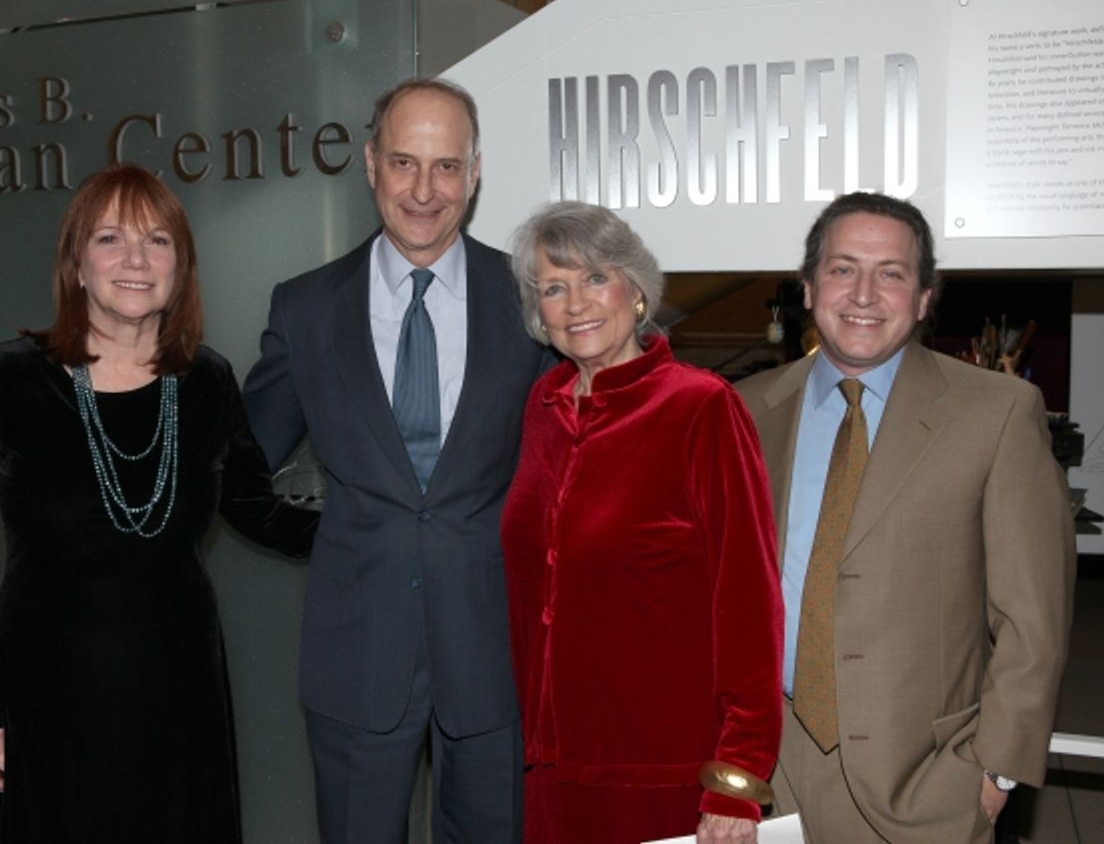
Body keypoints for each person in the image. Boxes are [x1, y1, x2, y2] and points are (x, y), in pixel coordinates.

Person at [0, 163, 319, 844]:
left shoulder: (208, 382)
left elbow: (258, 511)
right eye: (111, 239)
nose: (136, 259)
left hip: (179, 693)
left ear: (181, 267)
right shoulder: (8, 379)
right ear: (77, 264)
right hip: (44, 697)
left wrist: (388, 526)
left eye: (158, 241)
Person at [242, 78, 552, 843]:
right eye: (405, 163)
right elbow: (237, 465)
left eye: (446, 167)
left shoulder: (533, 302)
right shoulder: (306, 308)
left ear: (475, 173)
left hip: (497, 661)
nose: (424, 190)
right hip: (355, 660)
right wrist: (329, 540)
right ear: (372, 164)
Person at [735, 192, 1076, 843]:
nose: (863, 293)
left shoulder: (997, 412)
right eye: (843, 268)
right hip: (767, 774)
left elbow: (1033, 616)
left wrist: (996, 770)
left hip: (926, 782)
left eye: (891, 272)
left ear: (923, 298)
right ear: (809, 288)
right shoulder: (744, 411)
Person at [502, 201, 784, 844]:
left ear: (636, 292)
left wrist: (736, 777)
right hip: (550, 768)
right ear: (537, 312)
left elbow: (749, 603)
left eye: (595, 278)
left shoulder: (701, 407)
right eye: (554, 287)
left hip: (660, 773)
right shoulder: (543, 408)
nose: (576, 304)